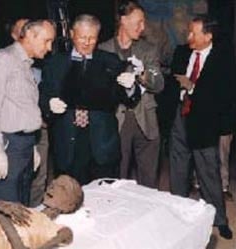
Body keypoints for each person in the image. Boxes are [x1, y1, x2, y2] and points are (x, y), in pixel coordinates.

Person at [41, 14, 137, 185]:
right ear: (71, 34)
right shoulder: (55, 63)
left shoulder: (111, 61)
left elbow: (129, 99)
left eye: (92, 38)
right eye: (82, 37)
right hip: (68, 143)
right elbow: (43, 94)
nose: (87, 42)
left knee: (106, 199)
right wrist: (48, 104)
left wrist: (130, 87)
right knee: (69, 199)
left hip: (102, 145)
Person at [168, 15, 235, 239]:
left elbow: (224, 96)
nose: (188, 37)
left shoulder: (224, 58)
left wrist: (193, 87)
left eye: (193, 34)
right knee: (178, 169)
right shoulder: (181, 52)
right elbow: (170, 83)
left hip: (205, 121)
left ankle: (220, 219)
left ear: (208, 36)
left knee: (208, 172)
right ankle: (177, 213)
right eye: (188, 32)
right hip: (180, 117)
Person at [0, 20, 56, 205]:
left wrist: (32, 146)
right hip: (7, 145)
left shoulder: (26, 65)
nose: (50, 47)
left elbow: (23, 108)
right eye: (46, 41)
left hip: (24, 145)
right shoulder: (3, 59)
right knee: (9, 211)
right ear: (29, 35)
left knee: (22, 207)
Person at [99, 0, 164, 188]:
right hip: (116, 121)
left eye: (143, 22)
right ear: (123, 20)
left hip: (145, 120)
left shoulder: (148, 50)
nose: (142, 27)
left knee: (149, 181)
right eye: (139, 22)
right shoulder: (103, 50)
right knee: (117, 180)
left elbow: (159, 84)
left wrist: (142, 74)